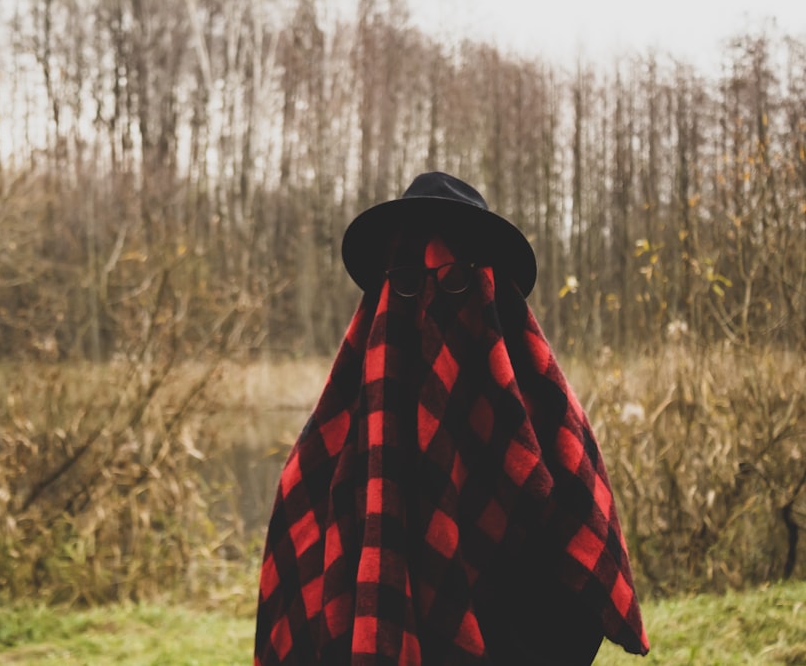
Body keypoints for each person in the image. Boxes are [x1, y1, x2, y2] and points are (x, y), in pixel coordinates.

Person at [254, 172, 649, 665]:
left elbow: (584, 585)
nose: (429, 311)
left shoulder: (549, 422)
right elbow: (302, 597)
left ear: (492, 290)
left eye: (457, 280)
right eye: (404, 282)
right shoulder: (332, 448)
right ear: (379, 299)